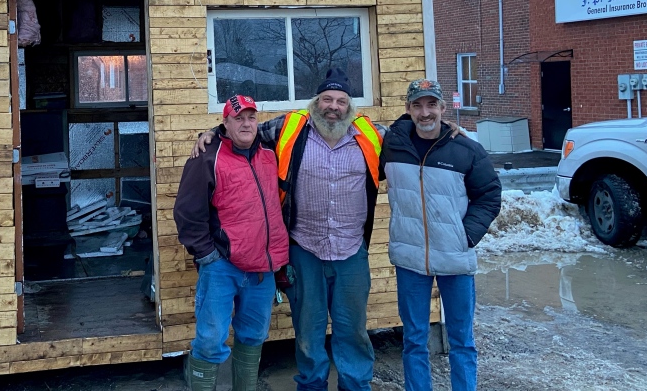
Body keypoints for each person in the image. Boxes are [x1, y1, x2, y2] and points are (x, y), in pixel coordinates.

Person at [194, 68, 384, 391]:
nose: (333, 106)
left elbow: (413, 141)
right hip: (304, 250)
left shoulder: (373, 135)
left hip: (352, 252)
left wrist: (445, 129)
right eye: (327, 99)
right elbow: (245, 130)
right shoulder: (290, 128)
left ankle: (355, 386)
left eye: (340, 100)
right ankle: (312, 386)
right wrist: (212, 133)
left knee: (352, 330)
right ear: (316, 101)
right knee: (308, 332)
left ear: (350, 106)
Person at [380, 79, 501, 391]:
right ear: (408, 109)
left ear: (443, 109)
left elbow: (489, 195)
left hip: (456, 259)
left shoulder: (466, 150)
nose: (425, 112)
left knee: (461, 340)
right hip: (410, 259)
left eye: (431, 104)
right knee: (414, 339)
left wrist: (466, 235)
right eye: (417, 105)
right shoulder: (392, 147)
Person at [173, 94, 290, 391]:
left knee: (253, 336)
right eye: (238, 119)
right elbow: (187, 212)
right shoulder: (208, 158)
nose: (246, 124)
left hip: (262, 268)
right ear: (226, 123)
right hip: (221, 267)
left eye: (251, 117)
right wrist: (207, 255)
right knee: (211, 340)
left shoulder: (270, 152)